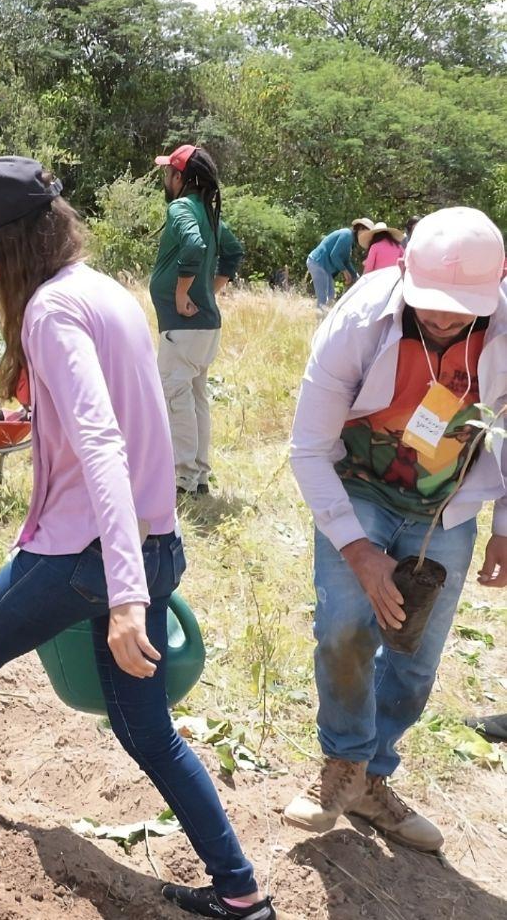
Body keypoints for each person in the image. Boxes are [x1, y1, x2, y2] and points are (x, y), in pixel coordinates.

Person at [0, 157, 274, 920]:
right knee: (148, 733)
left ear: (11, 243)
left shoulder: (49, 311)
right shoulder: (103, 290)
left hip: (90, 557)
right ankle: (240, 891)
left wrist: (125, 594)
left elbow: (102, 440)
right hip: (150, 538)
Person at [285, 207, 507, 853]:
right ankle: (343, 761)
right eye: (431, 303)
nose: (442, 318)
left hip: (447, 508)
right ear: (406, 274)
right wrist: (358, 551)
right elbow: (308, 447)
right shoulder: (359, 319)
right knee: (344, 629)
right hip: (358, 489)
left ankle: (370, 779)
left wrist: (503, 527)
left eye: (460, 309)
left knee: (414, 657)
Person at [149, 144, 244, 497]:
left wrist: (182, 292)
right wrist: (209, 290)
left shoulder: (182, 208)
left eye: (167, 172)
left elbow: (193, 245)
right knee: (195, 396)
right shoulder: (208, 213)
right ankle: (199, 474)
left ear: (179, 177)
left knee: (176, 398)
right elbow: (233, 251)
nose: (165, 179)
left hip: (184, 327)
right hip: (204, 328)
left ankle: (184, 477)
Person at [307, 218, 374, 314]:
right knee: (323, 297)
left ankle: (324, 319)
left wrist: (355, 276)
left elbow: (346, 261)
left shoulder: (350, 240)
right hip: (318, 263)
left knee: (330, 296)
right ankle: (320, 320)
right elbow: (334, 255)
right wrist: (344, 271)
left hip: (323, 267)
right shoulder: (346, 235)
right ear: (360, 229)